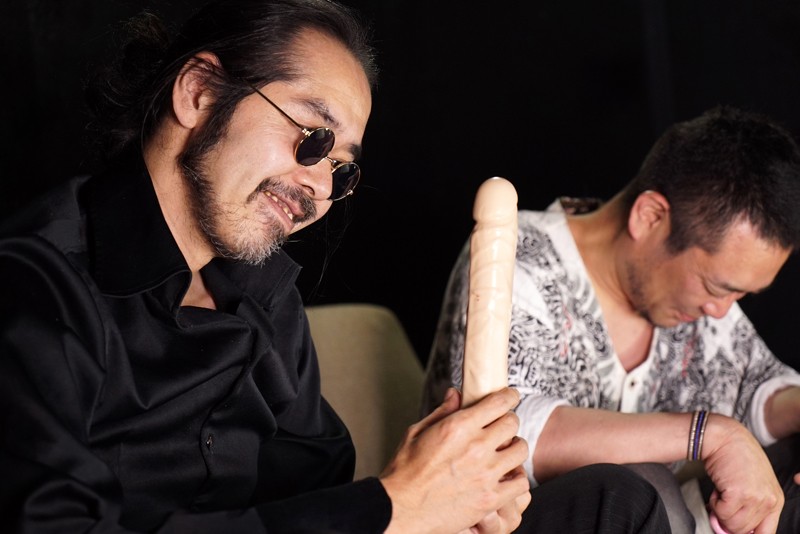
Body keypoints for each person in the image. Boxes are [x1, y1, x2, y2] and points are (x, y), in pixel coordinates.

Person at [0, 0, 672, 532]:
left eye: (342, 168)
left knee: (616, 500)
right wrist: (396, 507)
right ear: (199, 93)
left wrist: (443, 498)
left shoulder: (267, 299)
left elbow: (322, 498)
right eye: (312, 136)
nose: (321, 187)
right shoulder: (33, 282)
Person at [424, 105, 800, 534]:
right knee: (637, 492)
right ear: (650, 217)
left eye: (740, 294)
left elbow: (756, 385)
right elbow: (505, 434)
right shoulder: (521, 259)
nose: (722, 310)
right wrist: (709, 435)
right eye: (717, 287)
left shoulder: (700, 303)